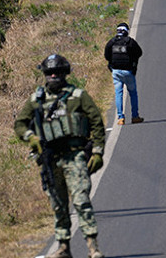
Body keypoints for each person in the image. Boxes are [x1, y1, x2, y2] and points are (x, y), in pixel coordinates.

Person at [14, 54, 106, 258]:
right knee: (58, 204)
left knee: (81, 200)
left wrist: (98, 152)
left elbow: (97, 122)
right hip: (50, 159)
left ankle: (93, 248)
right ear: (44, 75)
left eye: (57, 71)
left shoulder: (78, 96)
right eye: (49, 72)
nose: (53, 75)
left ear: (65, 73)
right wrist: (31, 137)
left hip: (75, 157)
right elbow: (19, 124)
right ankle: (63, 247)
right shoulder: (36, 100)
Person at [104, 23, 144, 125]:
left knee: (118, 93)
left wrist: (112, 64)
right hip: (128, 71)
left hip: (116, 71)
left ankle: (120, 118)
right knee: (133, 93)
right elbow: (139, 52)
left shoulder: (112, 42)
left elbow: (106, 55)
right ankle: (135, 116)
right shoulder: (130, 42)